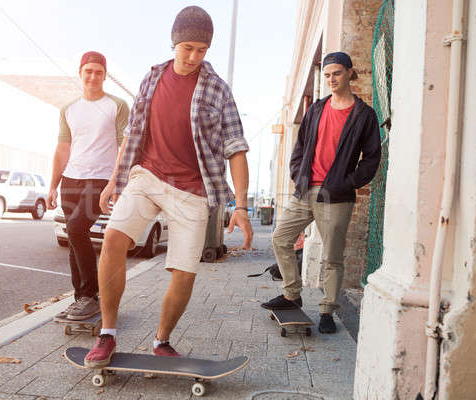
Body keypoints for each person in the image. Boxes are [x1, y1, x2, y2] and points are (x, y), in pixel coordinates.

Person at [83, 5, 253, 367]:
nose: (193, 57)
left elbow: (236, 149)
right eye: (187, 47)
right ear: (175, 42)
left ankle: (162, 341)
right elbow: (132, 134)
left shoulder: (218, 90)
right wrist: (115, 180)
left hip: (192, 190)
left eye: (202, 50)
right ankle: (107, 333)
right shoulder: (152, 78)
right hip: (147, 176)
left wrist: (240, 206)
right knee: (113, 239)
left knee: (183, 269)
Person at [261, 52, 381, 334]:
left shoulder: (364, 115)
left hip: (336, 196)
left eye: (337, 73)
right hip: (305, 190)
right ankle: (292, 293)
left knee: (332, 257)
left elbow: (372, 158)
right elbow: (300, 146)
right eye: (327, 75)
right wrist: (296, 173)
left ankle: (327, 310)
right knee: (281, 238)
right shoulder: (316, 108)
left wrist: (346, 182)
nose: (331, 79)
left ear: (350, 74)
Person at [46, 51, 129, 321]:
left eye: (99, 72)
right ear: (80, 73)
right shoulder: (68, 109)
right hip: (71, 179)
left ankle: (90, 296)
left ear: (105, 75)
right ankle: (81, 298)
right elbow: (62, 149)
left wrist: (116, 182)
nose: (93, 76)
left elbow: (124, 145)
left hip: (101, 179)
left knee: (76, 227)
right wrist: (52, 185)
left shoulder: (116, 105)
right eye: (88, 71)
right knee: (74, 237)